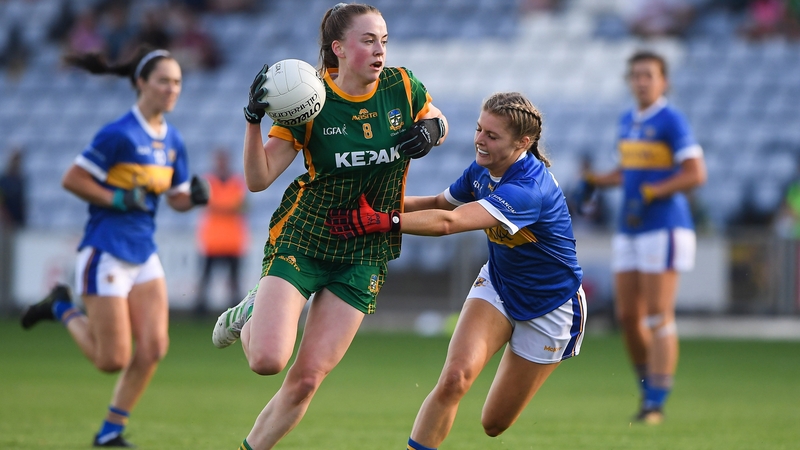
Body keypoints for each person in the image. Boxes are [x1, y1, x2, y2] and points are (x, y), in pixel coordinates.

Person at [209, 4, 448, 450]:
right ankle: (250, 312)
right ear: (338, 49)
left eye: (384, 40)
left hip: (364, 249)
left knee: (305, 381)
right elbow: (258, 180)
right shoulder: (308, 99)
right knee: (267, 361)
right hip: (307, 236)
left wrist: (432, 132)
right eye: (368, 40)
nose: (380, 50)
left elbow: (439, 119)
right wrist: (251, 121)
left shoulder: (402, 86)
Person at [325, 91, 585, 450]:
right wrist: (365, 204)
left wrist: (384, 221)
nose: (479, 140)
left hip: (551, 307)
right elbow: (436, 203)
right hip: (499, 285)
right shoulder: (483, 168)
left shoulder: (530, 189)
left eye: (492, 136)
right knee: (453, 380)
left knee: (493, 423)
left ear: (523, 142)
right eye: (480, 129)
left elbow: (449, 222)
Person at [20, 46, 210, 447]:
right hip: (105, 248)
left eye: (177, 82)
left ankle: (110, 432)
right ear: (140, 83)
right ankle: (61, 305)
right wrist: (118, 198)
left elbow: (174, 199)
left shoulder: (173, 139)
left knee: (156, 346)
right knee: (112, 360)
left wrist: (192, 196)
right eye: (163, 81)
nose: (172, 89)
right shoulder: (118, 134)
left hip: (143, 250)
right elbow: (72, 179)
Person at [584, 50, 707, 424]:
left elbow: (695, 174)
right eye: (635, 75)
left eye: (648, 75)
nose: (641, 81)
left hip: (665, 226)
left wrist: (654, 192)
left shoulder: (671, 120)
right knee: (627, 314)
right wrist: (593, 182)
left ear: (663, 81)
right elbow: (629, 171)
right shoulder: (628, 120)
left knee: (657, 315)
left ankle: (656, 401)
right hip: (631, 227)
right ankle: (646, 389)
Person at [195, 148, 248, 313]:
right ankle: (200, 311)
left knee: (234, 281)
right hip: (213, 240)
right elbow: (234, 205)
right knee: (205, 280)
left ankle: (236, 311)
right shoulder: (209, 181)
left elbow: (240, 206)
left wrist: (218, 205)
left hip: (232, 240)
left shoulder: (236, 181)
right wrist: (229, 206)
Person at [0, 148, 27, 229]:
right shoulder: (3, 180)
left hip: (18, 221)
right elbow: (1, 202)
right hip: (6, 222)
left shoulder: (20, 180)